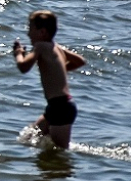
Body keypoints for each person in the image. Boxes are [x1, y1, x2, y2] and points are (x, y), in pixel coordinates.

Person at [12, 10, 86, 150]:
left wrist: (18, 54)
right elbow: (80, 61)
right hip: (56, 107)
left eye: (31, 29)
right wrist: (56, 71)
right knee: (27, 139)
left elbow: (23, 67)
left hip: (61, 107)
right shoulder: (56, 47)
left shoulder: (40, 46)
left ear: (42, 32)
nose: (28, 34)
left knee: (60, 152)